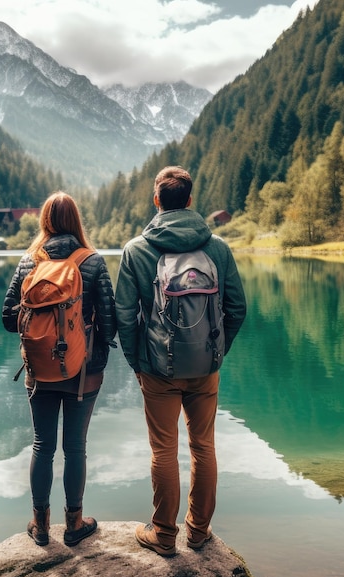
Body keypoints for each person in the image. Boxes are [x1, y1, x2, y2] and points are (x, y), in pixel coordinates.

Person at [115, 165, 247, 556]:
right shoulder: (217, 248)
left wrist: (138, 361)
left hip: (157, 369)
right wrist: (215, 353)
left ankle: (164, 534)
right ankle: (200, 531)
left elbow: (124, 314)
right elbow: (237, 309)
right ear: (190, 201)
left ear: (157, 200)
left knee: (163, 451)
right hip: (206, 368)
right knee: (204, 446)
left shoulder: (137, 250)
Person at [2, 191, 116, 547]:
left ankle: (39, 525)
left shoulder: (28, 262)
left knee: (42, 445)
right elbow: (111, 325)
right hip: (85, 371)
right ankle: (74, 523)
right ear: (76, 221)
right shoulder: (93, 262)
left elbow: (8, 319)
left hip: (39, 369)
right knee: (76, 447)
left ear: (45, 221)